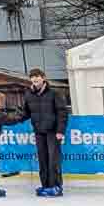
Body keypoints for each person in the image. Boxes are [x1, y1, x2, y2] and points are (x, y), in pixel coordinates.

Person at [23, 69, 69, 197]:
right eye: (32, 77)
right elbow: (25, 112)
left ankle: (56, 186)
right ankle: (46, 185)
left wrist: (60, 131)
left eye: (37, 76)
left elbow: (62, 113)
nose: (35, 79)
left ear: (43, 78)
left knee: (53, 159)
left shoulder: (54, 92)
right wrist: (10, 118)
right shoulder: (29, 94)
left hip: (53, 131)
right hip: (39, 131)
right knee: (42, 160)